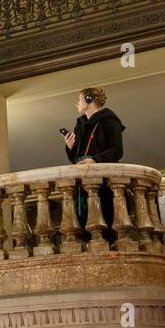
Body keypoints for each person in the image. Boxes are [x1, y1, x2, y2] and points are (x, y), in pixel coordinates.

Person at [60, 87, 125, 239]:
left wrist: (95, 160)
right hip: (82, 186)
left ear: (89, 100)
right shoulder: (81, 125)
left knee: (105, 225)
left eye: (79, 99)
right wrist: (70, 147)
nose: (77, 103)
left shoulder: (109, 120)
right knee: (82, 228)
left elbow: (117, 150)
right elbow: (76, 158)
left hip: (103, 185)